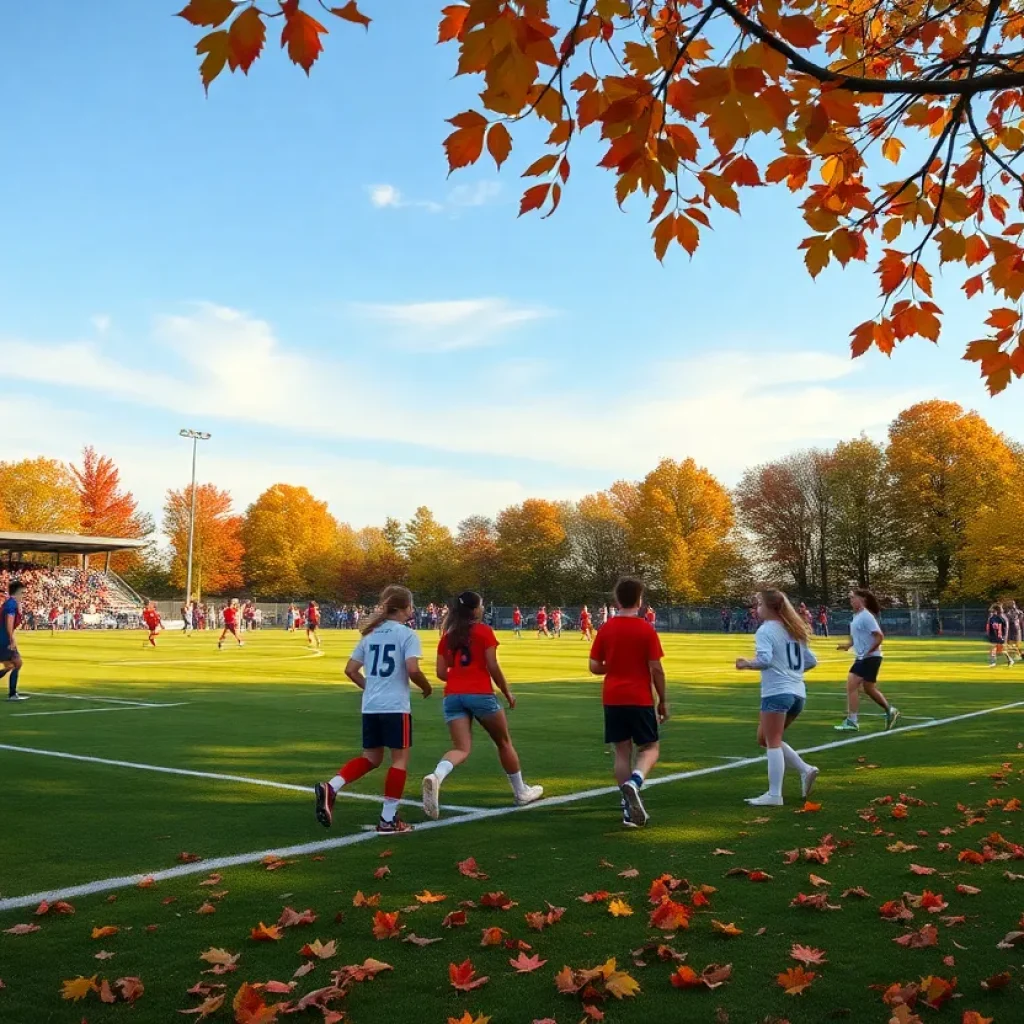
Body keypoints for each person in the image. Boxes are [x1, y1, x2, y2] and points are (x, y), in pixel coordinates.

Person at [315, 585, 432, 835]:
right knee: (399, 761)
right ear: (405, 608)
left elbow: (350, 670)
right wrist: (426, 686)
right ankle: (387, 819)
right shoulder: (407, 635)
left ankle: (332, 786)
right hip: (395, 706)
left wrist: (370, 687)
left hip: (371, 706)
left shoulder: (370, 634)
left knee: (371, 758)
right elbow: (412, 669)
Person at [422, 591, 543, 820]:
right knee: (503, 743)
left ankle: (436, 776)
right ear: (476, 609)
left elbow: (440, 672)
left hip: (453, 696)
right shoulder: (484, 632)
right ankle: (521, 792)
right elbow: (492, 666)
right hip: (480, 694)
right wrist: (507, 692)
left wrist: (459, 679)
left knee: (461, 749)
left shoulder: (447, 636)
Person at [589, 576, 668, 828]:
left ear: (616, 600)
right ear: (640, 600)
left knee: (622, 751)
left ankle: (627, 808)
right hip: (639, 697)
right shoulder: (646, 629)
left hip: (613, 696)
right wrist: (663, 700)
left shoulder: (607, 628)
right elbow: (656, 668)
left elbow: (594, 666)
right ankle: (635, 781)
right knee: (650, 748)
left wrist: (612, 667)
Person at [735, 589, 819, 806]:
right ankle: (805, 769)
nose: (756, 609)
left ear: (770, 608)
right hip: (798, 694)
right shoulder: (794, 629)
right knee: (765, 738)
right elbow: (811, 661)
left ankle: (774, 795)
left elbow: (764, 659)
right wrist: (793, 674)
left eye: (759, 604)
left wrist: (746, 664)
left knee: (771, 742)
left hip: (777, 692)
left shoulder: (766, 630)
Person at [834, 589, 900, 732]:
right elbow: (857, 637)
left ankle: (852, 721)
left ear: (862, 599)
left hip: (869, 658)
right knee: (869, 689)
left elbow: (879, 636)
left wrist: (869, 651)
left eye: (853, 598)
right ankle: (890, 710)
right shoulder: (857, 616)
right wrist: (847, 646)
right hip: (865, 657)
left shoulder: (866, 616)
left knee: (851, 685)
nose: (850, 600)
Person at [1, 581, 28, 702]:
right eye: (22, 593)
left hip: (3, 637)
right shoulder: (11, 604)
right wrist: (11, 639)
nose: (24, 595)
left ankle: (13, 693)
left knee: (12, 664)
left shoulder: (10, 603)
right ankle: (12, 694)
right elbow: (9, 623)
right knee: (17, 663)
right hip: (4, 638)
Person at [987, 602, 1013, 667]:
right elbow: (990, 626)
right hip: (995, 635)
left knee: (1000, 650)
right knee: (994, 649)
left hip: (1001, 636)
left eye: (993, 609)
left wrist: (1004, 637)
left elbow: (1006, 628)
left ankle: (1010, 660)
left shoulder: (1002, 617)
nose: (991, 610)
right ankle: (993, 663)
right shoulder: (993, 617)